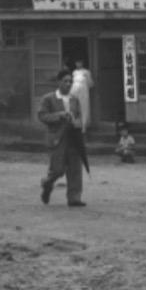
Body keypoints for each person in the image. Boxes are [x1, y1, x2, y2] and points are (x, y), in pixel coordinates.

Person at [38, 69, 89, 207]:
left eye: (70, 81)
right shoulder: (48, 98)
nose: (68, 84)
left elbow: (78, 116)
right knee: (58, 169)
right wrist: (58, 115)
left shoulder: (74, 99)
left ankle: (74, 197)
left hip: (73, 137)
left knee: (75, 168)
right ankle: (47, 183)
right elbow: (42, 116)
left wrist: (77, 122)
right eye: (65, 81)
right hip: (57, 138)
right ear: (58, 82)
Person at [70, 59, 94, 132]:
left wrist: (83, 85)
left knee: (84, 107)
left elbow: (90, 83)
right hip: (74, 90)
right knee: (73, 108)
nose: (78, 64)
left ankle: (84, 126)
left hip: (83, 91)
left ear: (82, 63)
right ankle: (74, 124)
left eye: (80, 62)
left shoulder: (86, 72)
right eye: (77, 62)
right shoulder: (74, 72)